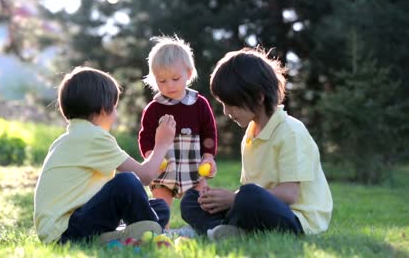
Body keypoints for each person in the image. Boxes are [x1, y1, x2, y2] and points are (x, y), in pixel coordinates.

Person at [180, 47, 333, 241]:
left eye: (231, 104)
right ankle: (222, 231)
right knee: (193, 200)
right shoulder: (251, 135)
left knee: (249, 194)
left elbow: (289, 194)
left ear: (258, 97)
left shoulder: (291, 132)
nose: (226, 111)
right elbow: (251, 195)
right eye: (223, 104)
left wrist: (234, 198)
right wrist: (223, 199)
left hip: (296, 220)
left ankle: (221, 229)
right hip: (258, 209)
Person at [34, 66, 176, 244]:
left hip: (66, 228)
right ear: (103, 109)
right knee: (127, 182)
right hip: (68, 233)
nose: (116, 114)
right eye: (115, 107)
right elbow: (145, 176)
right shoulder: (94, 137)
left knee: (159, 207)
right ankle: (152, 236)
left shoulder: (70, 137)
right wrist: (162, 143)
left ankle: (118, 236)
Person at [138, 36, 218, 226]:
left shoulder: (199, 104)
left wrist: (208, 156)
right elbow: (146, 135)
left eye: (175, 78)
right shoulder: (154, 108)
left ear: (188, 74)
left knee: (201, 201)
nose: (169, 85)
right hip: (164, 167)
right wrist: (151, 155)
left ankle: (207, 228)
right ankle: (160, 231)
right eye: (162, 81)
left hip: (193, 165)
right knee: (160, 204)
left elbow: (209, 132)